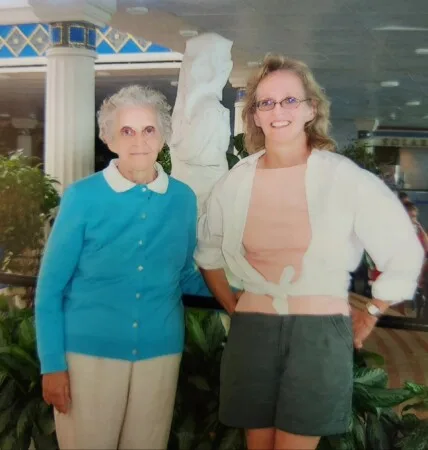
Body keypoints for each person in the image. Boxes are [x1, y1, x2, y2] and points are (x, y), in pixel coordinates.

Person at [195, 54, 424, 450]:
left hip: (318, 334)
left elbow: (403, 250)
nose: (277, 111)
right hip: (252, 332)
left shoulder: (343, 178)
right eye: (266, 102)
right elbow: (208, 252)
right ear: (255, 115)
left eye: (289, 100)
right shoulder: (234, 183)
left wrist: (372, 311)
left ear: (310, 109)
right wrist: (234, 307)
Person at [35, 85, 209, 450]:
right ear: (109, 138)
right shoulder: (83, 196)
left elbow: (183, 275)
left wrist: (247, 295)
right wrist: (52, 365)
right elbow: (50, 289)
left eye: (149, 129)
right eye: (126, 130)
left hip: (159, 356)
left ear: (163, 136)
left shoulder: (182, 199)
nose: (139, 141)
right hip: (87, 358)